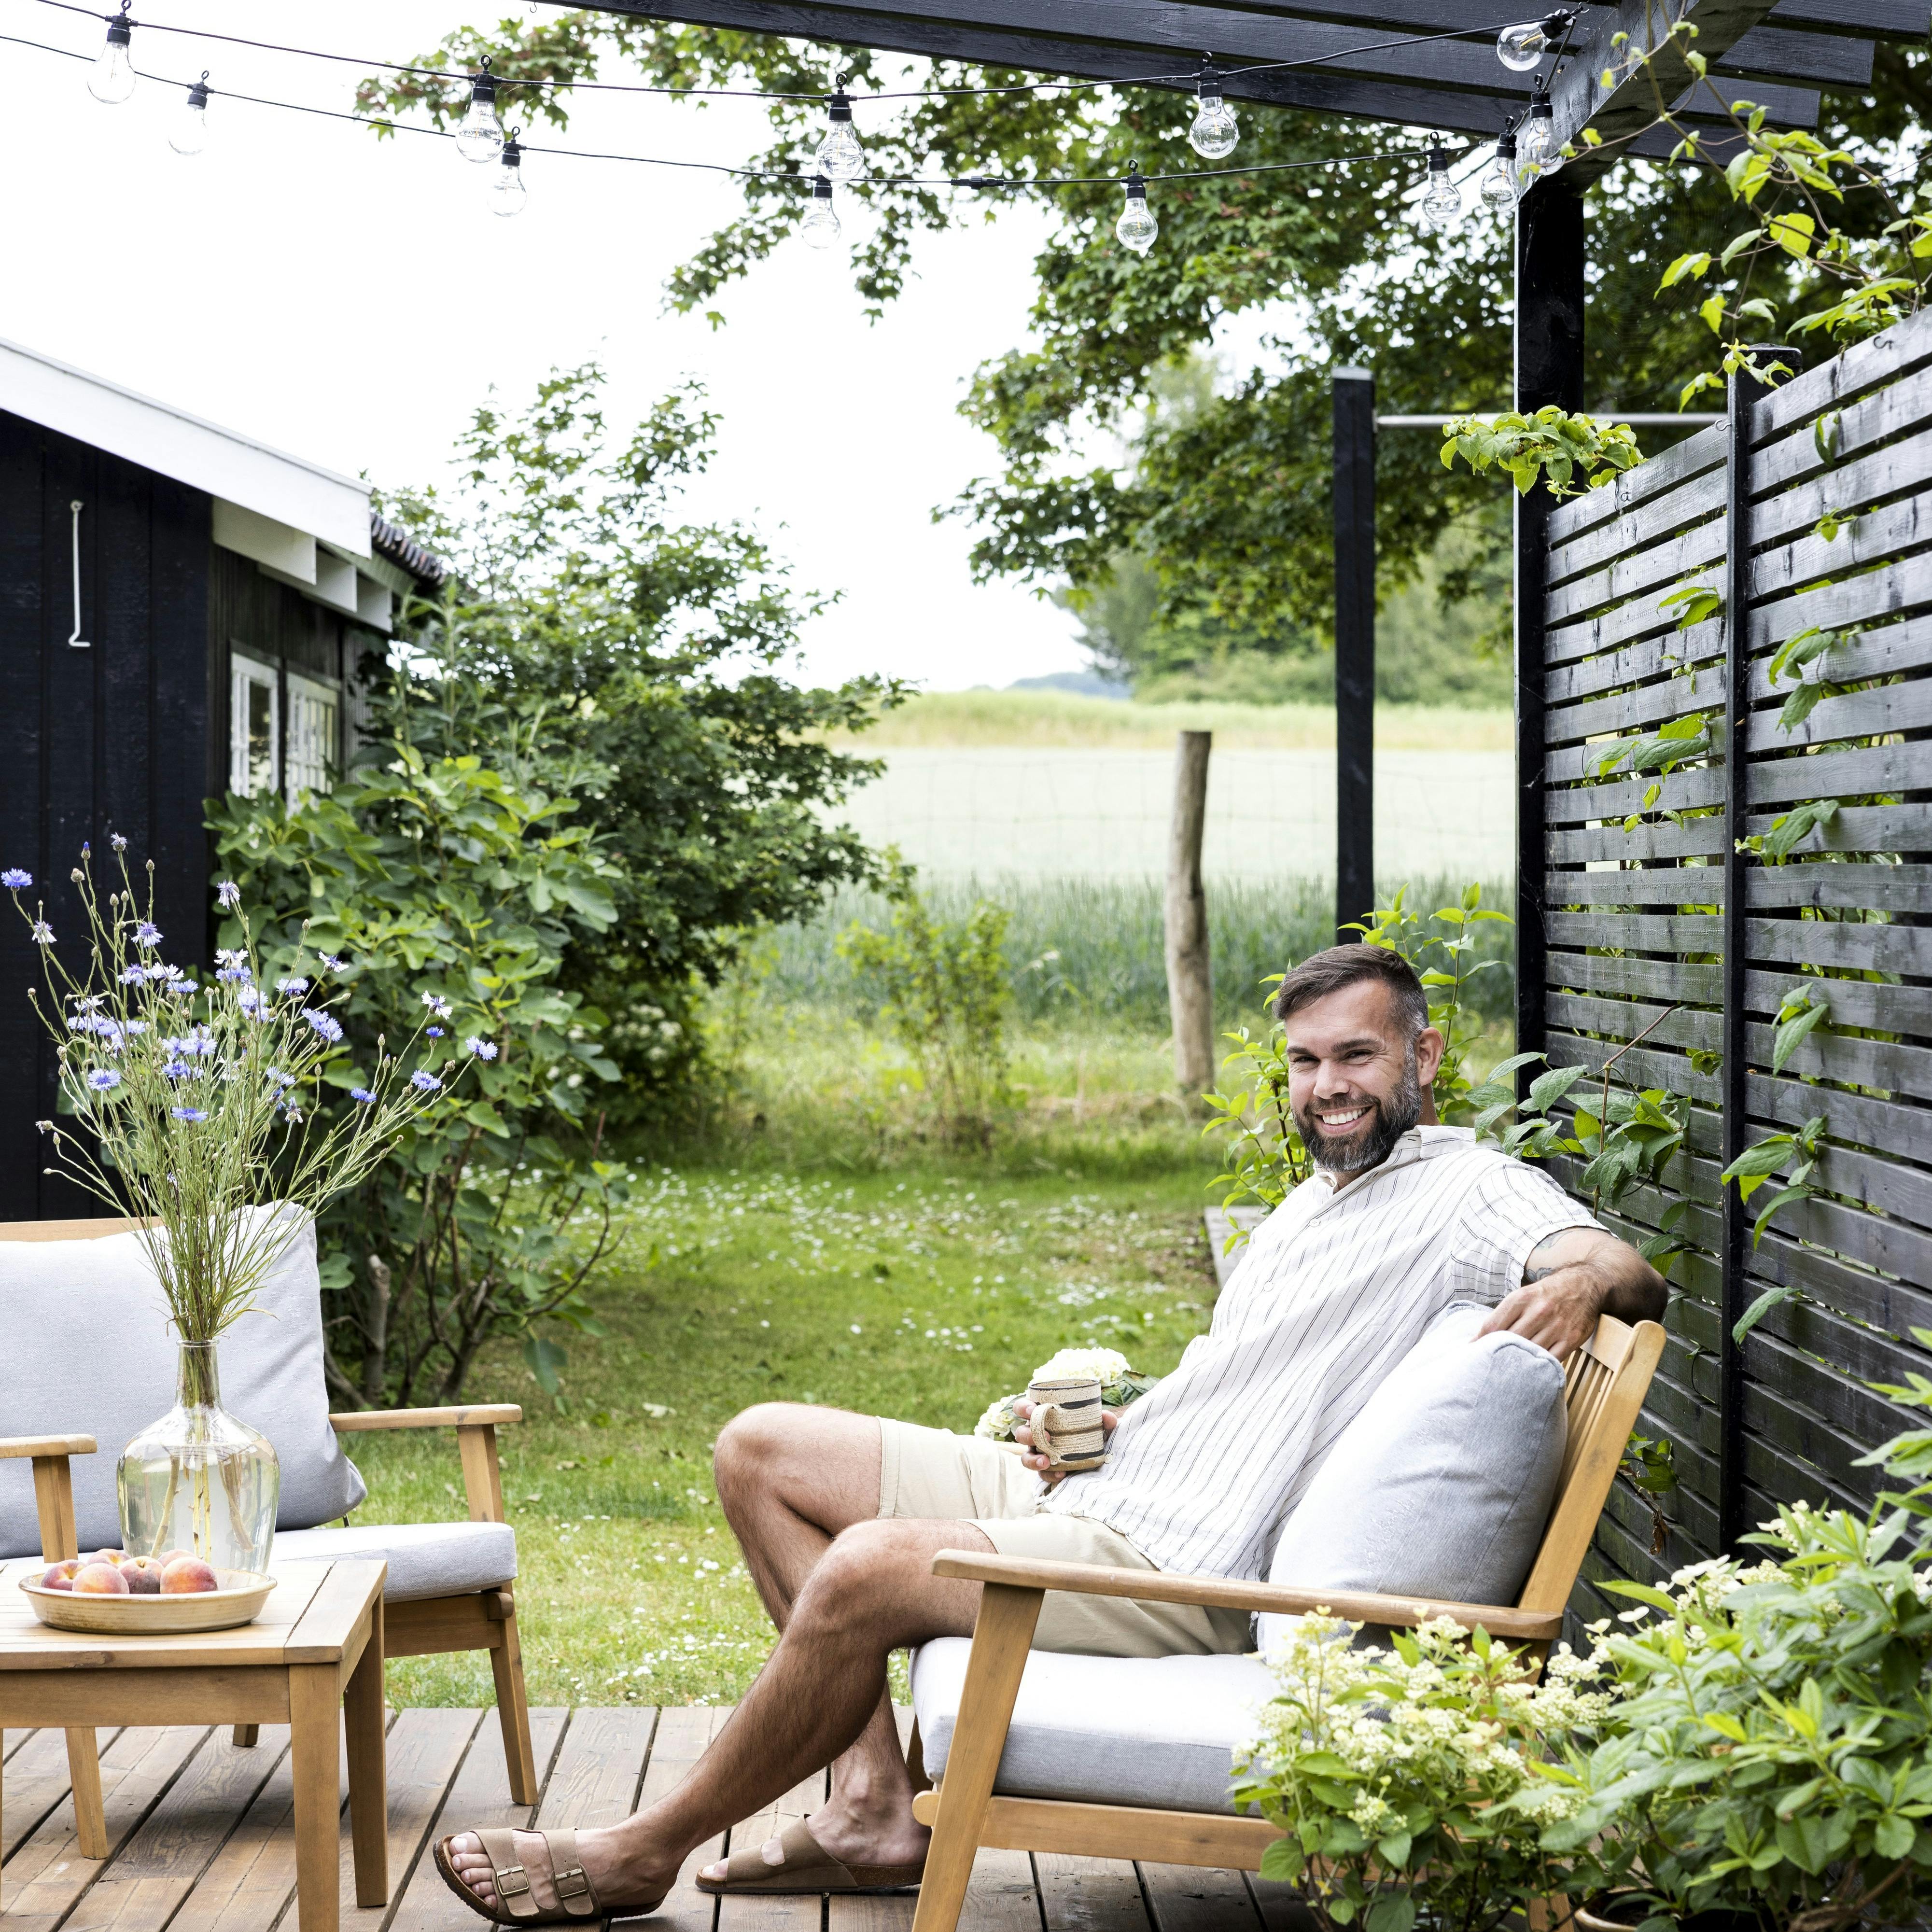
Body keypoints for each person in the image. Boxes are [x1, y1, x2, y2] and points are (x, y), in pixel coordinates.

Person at [433, 942, 1667, 1924]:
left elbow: (1607, 1258)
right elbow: (1264, 1389)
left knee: (869, 1567)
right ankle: (871, 1806)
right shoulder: (1316, 1196)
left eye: (1357, 1056)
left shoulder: (1464, 1189)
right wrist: (1115, 1426)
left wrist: (1574, 1287)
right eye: (1305, 1063)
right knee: (762, 1448)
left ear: (1424, 1053)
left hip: (1191, 1570)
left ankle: (646, 1848)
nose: (1329, 1087)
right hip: (1113, 1490)